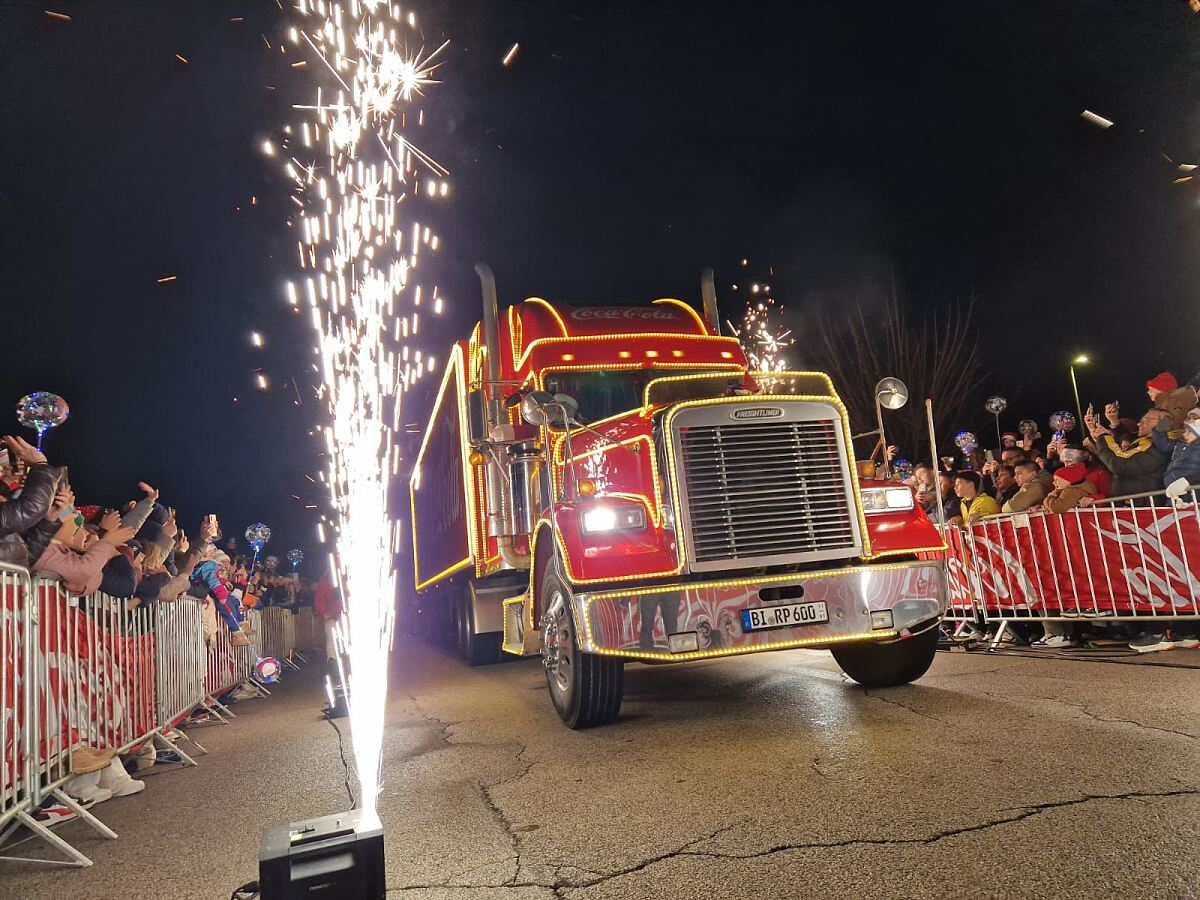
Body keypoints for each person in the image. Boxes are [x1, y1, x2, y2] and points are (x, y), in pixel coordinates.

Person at [1086, 407, 1169, 498]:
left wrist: (1103, 437)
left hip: (1142, 506)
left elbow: (1120, 465)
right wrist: (1098, 437)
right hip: (1132, 504)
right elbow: (1114, 455)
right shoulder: (1141, 442)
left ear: (1163, 425)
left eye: (1147, 420)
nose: (1139, 424)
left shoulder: (1156, 447)